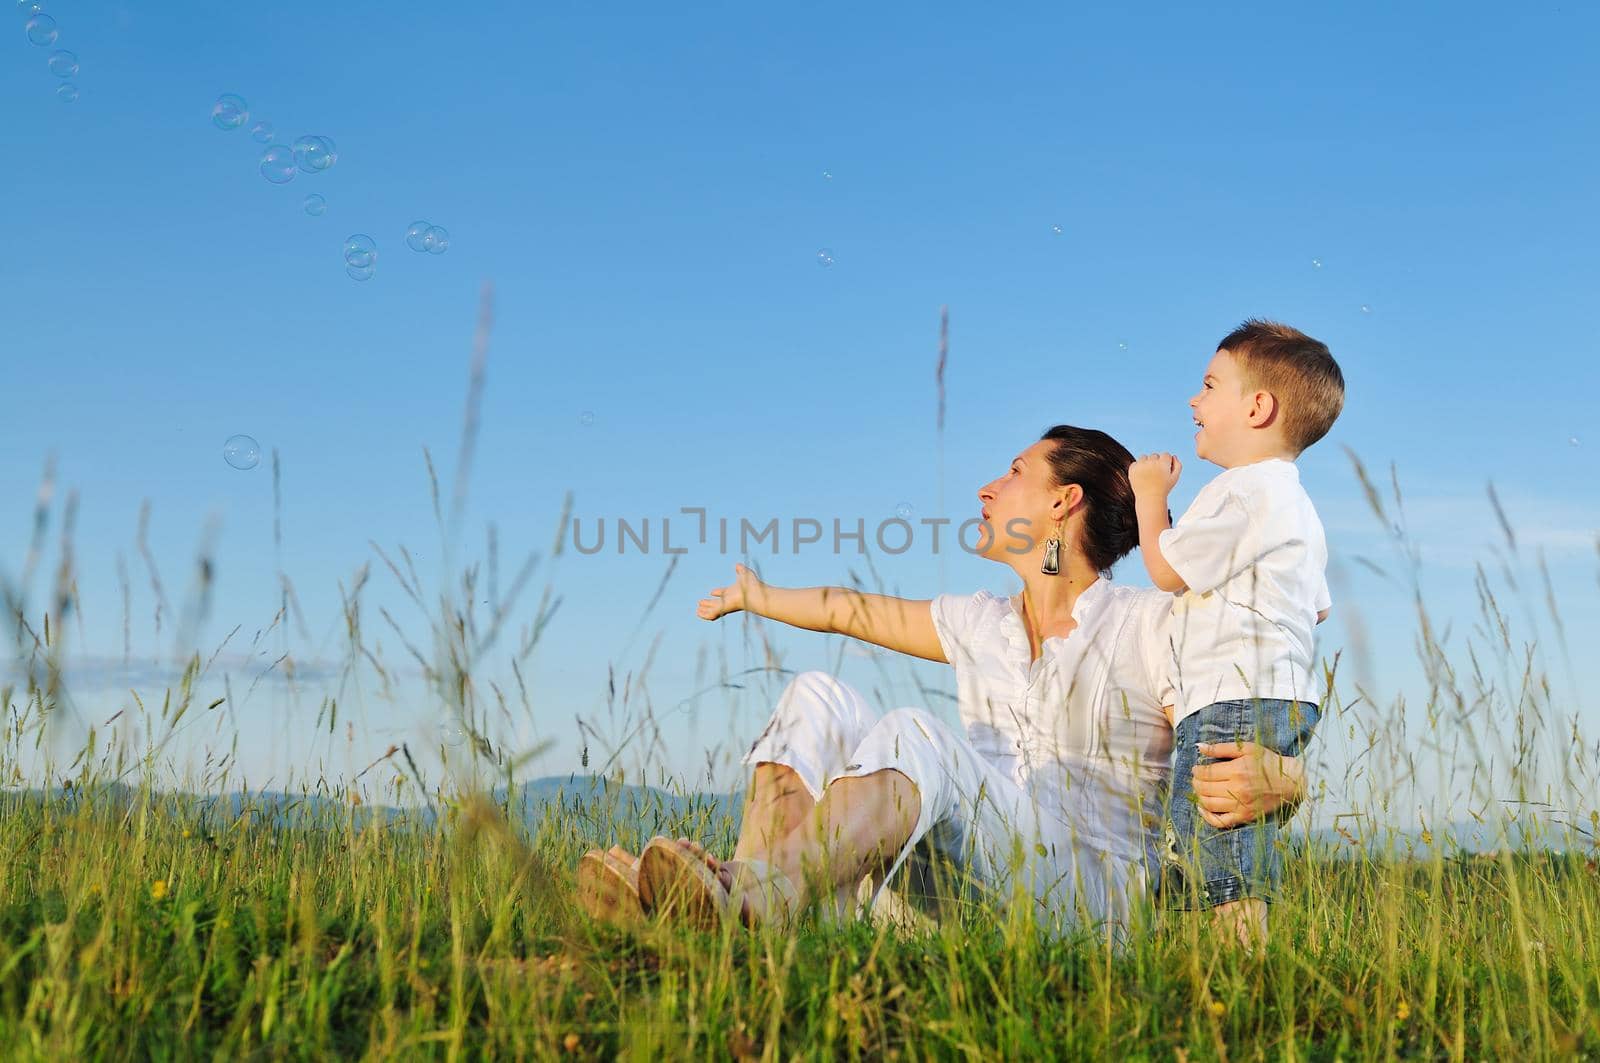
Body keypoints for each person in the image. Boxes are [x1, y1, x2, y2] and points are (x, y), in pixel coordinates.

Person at [577, 425, 1308, 937]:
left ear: (1063, 502)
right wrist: (758, 595)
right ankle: (749, 903)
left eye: (1014, 472)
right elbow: (847, 611)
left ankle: (750, 900)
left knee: (914, 733)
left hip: (1086, 906)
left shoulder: (1150, 625)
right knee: (816, 695)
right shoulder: (980, 621)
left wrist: (1287, 779)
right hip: (961, 887)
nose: (988, 488)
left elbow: (1226, 738)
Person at [1128, 319, 1344, 946]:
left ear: (1258, 407)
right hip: (1278, 691)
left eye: (1208, 385)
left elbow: (1167, 570)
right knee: (1217, 838)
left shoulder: (1242, 490)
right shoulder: (1294, 502)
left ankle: (1243, 975)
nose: (1194, 401)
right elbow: (1317, 609)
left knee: (1220, 853)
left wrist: (1150, 496)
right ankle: (1226, 967)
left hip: (1231, 694)